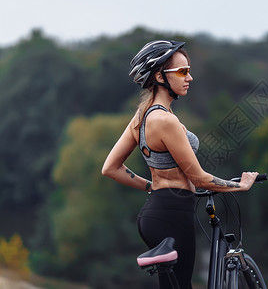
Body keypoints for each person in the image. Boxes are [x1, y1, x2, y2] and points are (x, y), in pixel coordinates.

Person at [101, 40, 259, 289]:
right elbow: (199, 179)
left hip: (155, 212)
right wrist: (240, 185)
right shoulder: (165, 120)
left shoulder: (142, 116)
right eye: (182, 72)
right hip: (173, 215)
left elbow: (110, 167)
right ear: (159, 76)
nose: (190, 78)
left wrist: (151, 187)